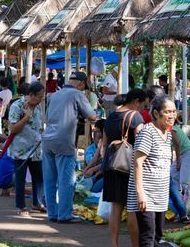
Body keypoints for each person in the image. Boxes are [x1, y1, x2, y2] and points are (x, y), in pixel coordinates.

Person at [42, 71, 96, 223]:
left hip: (47, 139)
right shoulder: (77, 95)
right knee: (66, 180)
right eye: (84, 87)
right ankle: (65, 214)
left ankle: (52, 213)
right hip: (64, 140)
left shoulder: (53, 95)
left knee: (50, 179)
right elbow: (91, 116)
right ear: (81, 84)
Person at [127, 95, 176, 247]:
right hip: (146, 195)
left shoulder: (167, 134)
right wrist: (140, 193)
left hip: (160, 194)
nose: (172, 115)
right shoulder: (148, 132)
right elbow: (137, 162)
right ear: (156, 113)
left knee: (157, 236)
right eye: (167, 112)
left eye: (173, 111)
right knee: (148, 236)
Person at [103, 89, 147, 247]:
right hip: (129, 166)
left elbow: (104, 143)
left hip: (111, 164)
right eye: (143, 104)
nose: (143, 108)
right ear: (136, 101)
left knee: (115, 207)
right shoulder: (135, 116)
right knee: (132, 208)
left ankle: (114, 244)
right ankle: (135, 245)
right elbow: (141, 143)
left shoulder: (111, 116)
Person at [8, 82, 46, 217]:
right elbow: (13, 128)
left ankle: (38, 202)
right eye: (39, 97)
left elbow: (39, 125)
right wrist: (26, 117)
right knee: (21, 178)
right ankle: (21, 206)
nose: (41, 99)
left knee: (39, 177)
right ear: (31, 95)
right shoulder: (17, 106)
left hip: (36, 148)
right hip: (20, 149)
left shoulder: (38, 107)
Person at [170, 124, 190, 223]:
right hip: (182, 153)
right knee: (171, 176)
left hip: (187, 152)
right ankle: (180, 210)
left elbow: (177, 144)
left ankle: (183, 213)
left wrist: (178, 162)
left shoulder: (170, 128)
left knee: (184, 183)